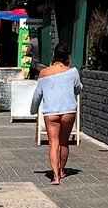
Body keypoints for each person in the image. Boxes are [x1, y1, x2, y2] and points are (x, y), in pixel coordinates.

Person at [30, 43, 82, 185]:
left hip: (51, 112)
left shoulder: (44, 73)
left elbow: (37, 95)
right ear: (67, 57)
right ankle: (62, 170)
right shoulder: (73, 71)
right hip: (68, 111)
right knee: (64, 142)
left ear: (54, 55)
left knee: (53, 143)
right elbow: (78, 89)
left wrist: (33, 109)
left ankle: (55, 177)